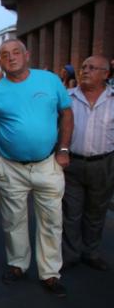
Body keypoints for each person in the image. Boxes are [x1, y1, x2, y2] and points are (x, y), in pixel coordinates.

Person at [0, 39, 73, 297]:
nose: (11, 57)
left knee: (52, 221)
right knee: (13, 220)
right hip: (11, 166)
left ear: (27, 55)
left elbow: (66, 113)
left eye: (16, 52)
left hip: (47, 164)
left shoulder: (50, 80)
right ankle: (18, 264)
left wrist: (63, 149)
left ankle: (50, 273)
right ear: (0, 62)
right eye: (5, 55)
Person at [62, 55, 114, 272]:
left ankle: (91, 252)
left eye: (92, 68)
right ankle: (71, 255)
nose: (85, 70)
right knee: (71, 212)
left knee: (96, 211)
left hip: (103, 163)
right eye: (83, 67)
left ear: (106, 74)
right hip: (72, 162)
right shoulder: (67, 97)